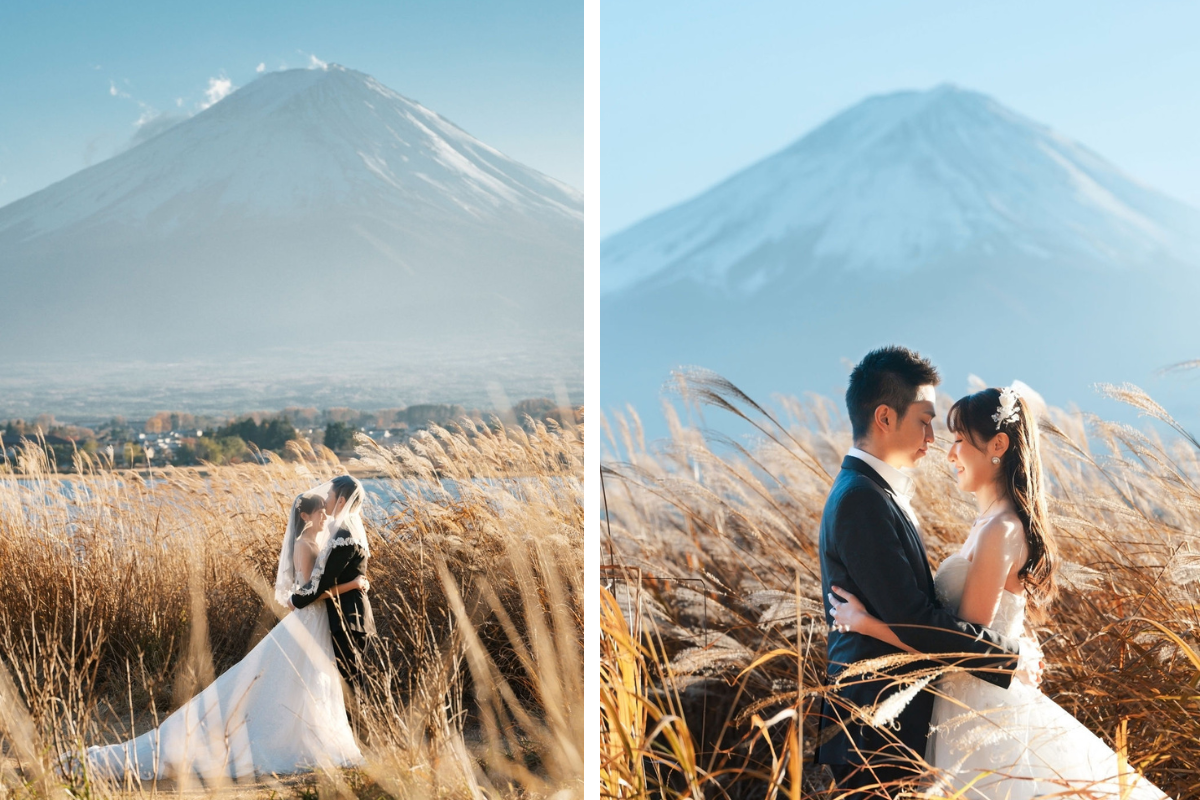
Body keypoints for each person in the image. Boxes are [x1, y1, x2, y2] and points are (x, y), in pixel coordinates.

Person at [829, 385, 1168, 799]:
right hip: (961, 707)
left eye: (957, 440)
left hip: (980, 716)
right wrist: (1015, 649)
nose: (948, 452)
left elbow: (960, 647)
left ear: (998, 445)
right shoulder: (986, 526)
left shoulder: (1000, 530)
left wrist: (864, 622)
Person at [816, 346, 1038, 799]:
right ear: (884, 417)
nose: (934, 438)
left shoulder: (877, 493)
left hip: (900, 725)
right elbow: (913, 621)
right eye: (924, 420)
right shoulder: (861, 499)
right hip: (873, 732)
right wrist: (1010, 657)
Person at [85, 485, 364, 781]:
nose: (324, 514)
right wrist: (353, 584)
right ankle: (290, 742)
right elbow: (307, 593)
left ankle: (312, 739)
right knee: (291, 680)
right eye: (319, 510)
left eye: (325, 508)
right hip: (309, 618)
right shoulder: (304, 545)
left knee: (309, 682)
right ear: (306, 516)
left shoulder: (317, 541)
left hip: (315, 622)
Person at [288, 475, 374, 691]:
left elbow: (323, 582)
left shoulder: (344, 535)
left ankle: (358, 724)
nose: (325, 500)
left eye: (329, 495)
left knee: (351, 684)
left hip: (348, 618)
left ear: (342, 501)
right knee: (348, 683)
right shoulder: (347, 530)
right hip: (348, 616)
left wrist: (295, 600)